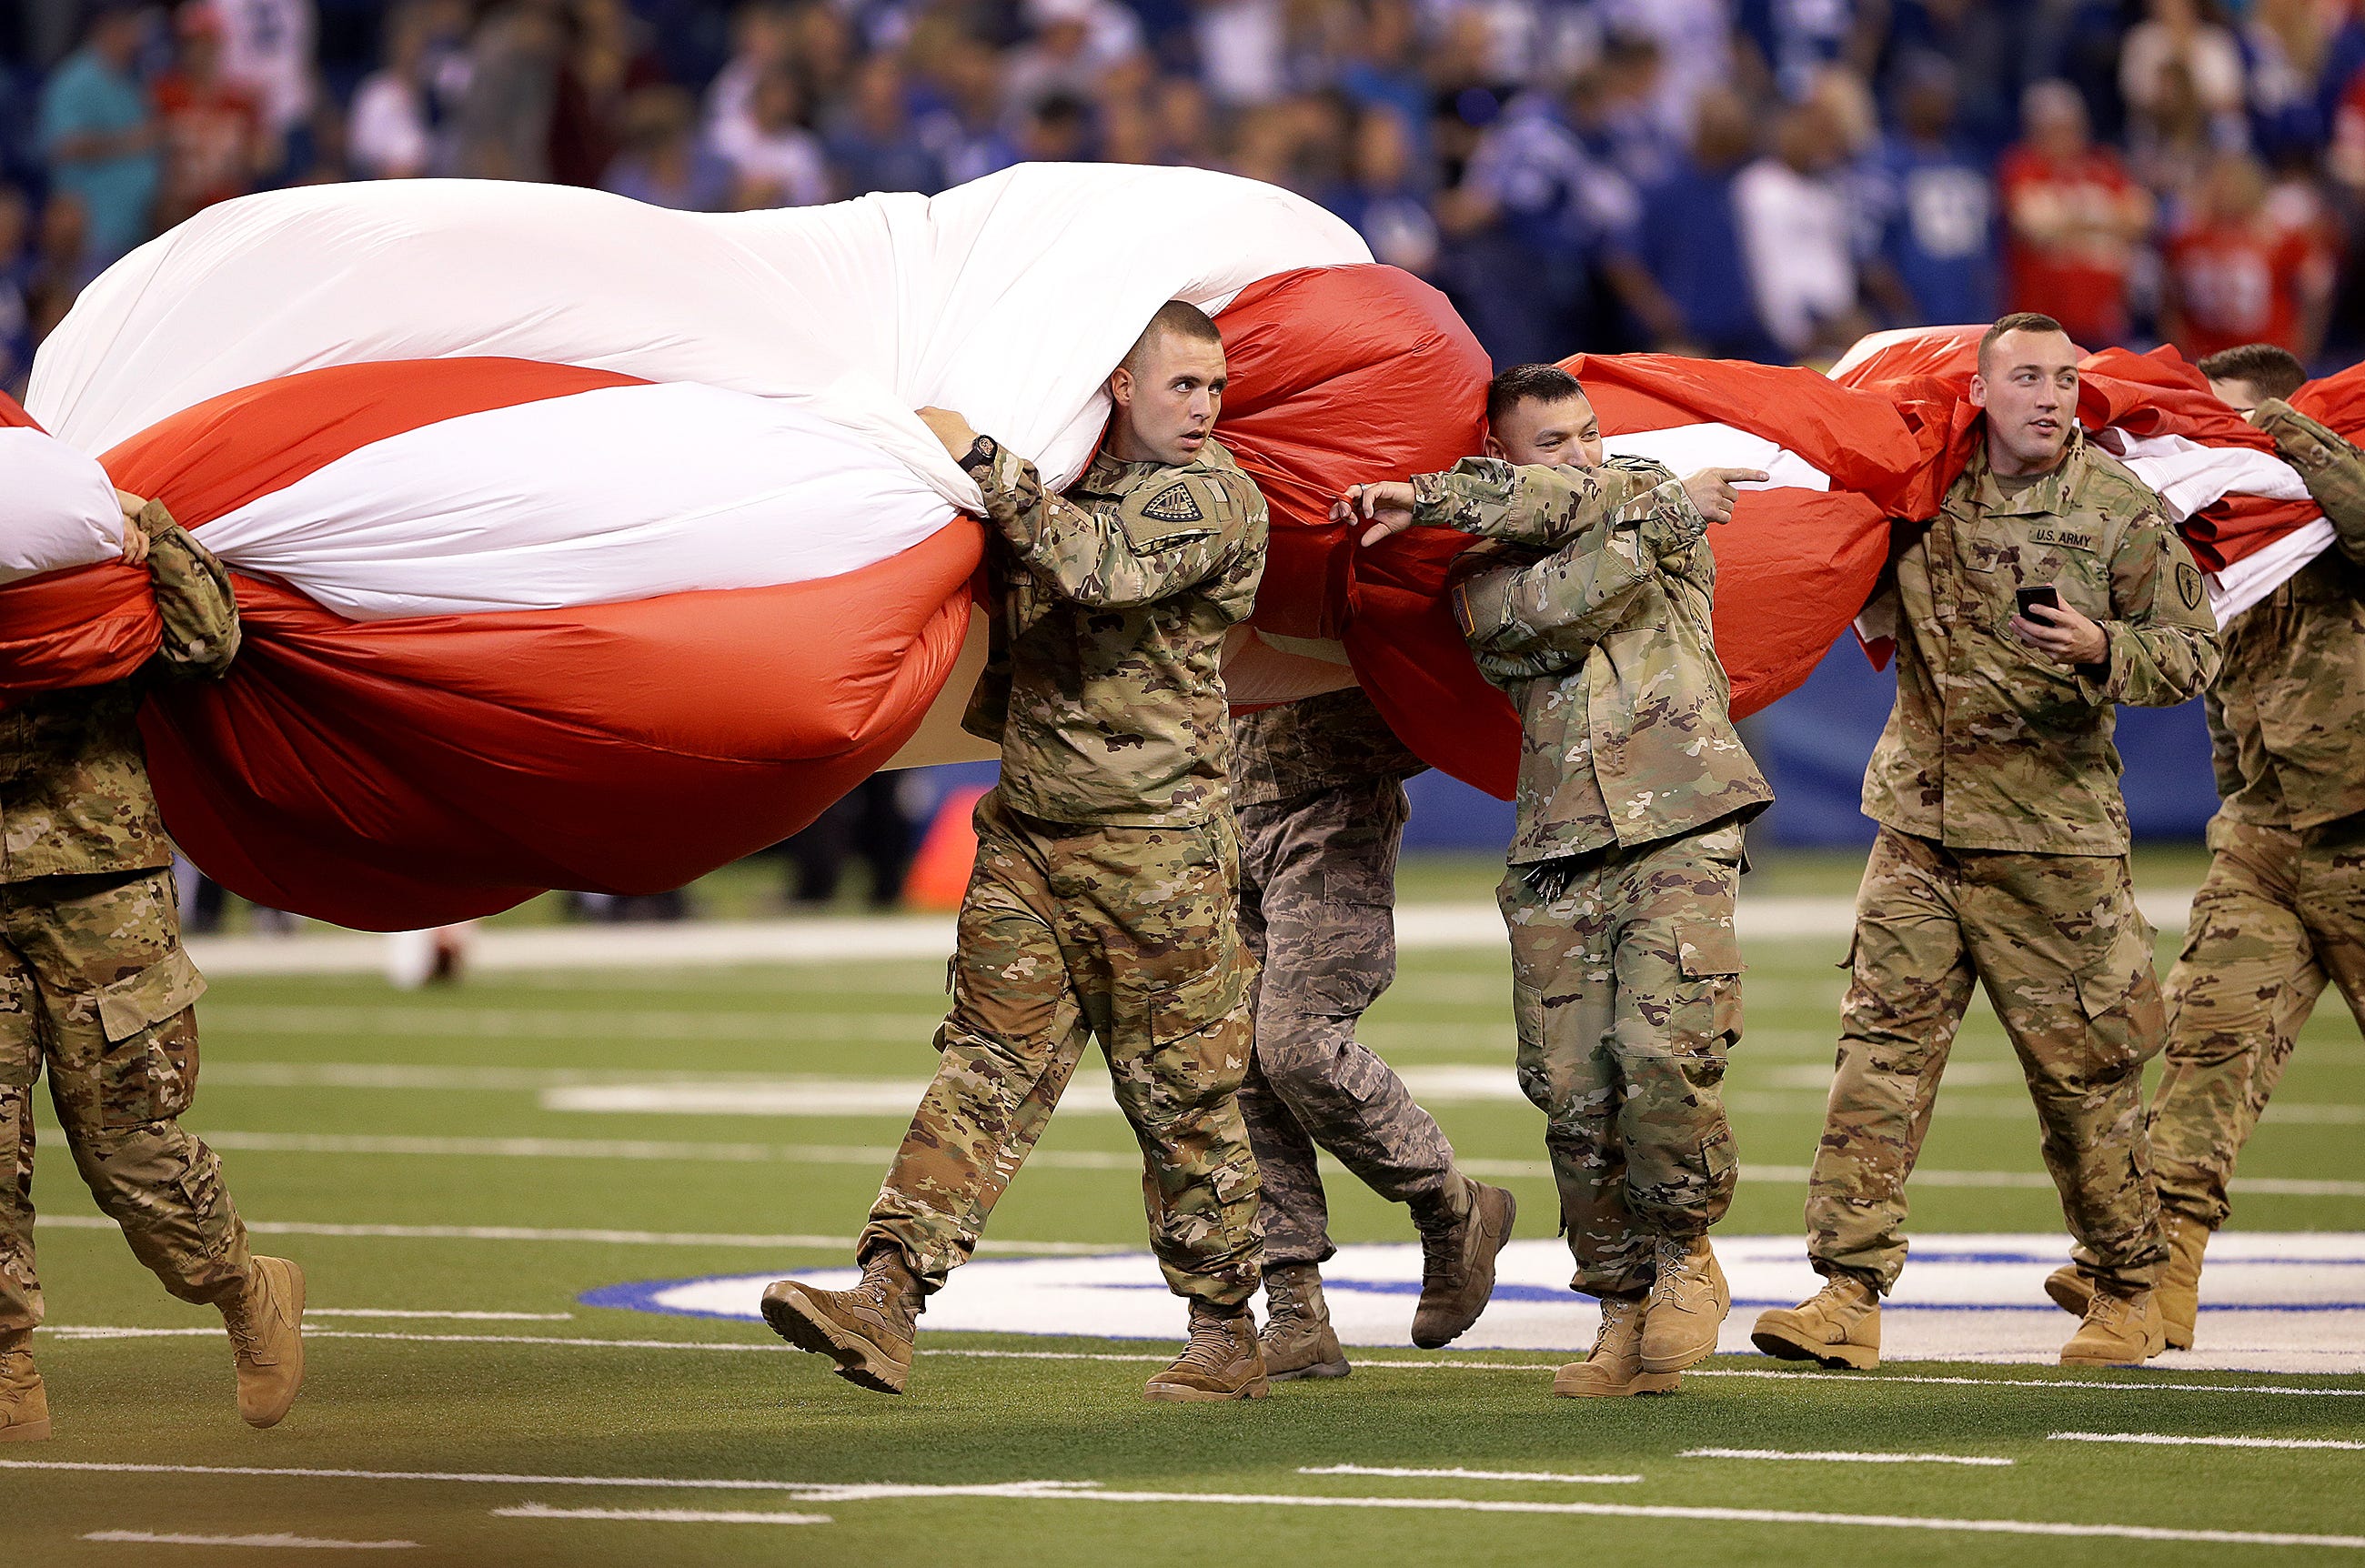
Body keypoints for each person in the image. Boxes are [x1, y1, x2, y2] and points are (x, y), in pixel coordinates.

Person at [760, 302, 1273, 1402]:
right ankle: (887, 1295)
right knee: (982, 1068)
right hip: (1031, 841)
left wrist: (974, 451)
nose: (1202, 407)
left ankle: (1227, 1326)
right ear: (1119, 387)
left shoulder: (1215, 498)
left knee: (1180, 1099)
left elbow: (1089, 566)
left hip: (1158, 854)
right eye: (1180, 385)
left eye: (1213, 387)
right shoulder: (1064, 480)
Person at [1752, 314, 2221, 1372]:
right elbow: (1829, 555)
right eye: (2025, 377)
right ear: (1980, 391)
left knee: (2082, 1078)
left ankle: (2124, 1283)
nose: (2050, 396)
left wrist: (2106, 645)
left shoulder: (2116, 510)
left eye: (2063, 378)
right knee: (1876, 1065)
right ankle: (1846, 1289)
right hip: (1917, 832)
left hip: (2054, 846)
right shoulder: (1919, 496)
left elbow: (2193, 653)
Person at [1343, 364, 1769, 1398]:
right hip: (1557, 843)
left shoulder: (1629, 489)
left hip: (1680, 816)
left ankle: (1682, 1257)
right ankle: (1620, 1310)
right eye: (1552, 441)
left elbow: (1584, 495)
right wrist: (1653, 506)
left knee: (1662, 1052)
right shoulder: (1487, 565)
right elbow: (1543, 607)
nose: (1582, 453)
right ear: (1499, 458)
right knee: (1572, 1093)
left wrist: (1638, 498)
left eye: (1588, 432)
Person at [2042, 343, 2365, 1352]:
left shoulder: (2321, 505)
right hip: (2266, 843)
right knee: (2200, 1054)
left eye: (2211, 424)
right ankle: (2145, 1282)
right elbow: (2222, 707)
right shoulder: (2219, 551)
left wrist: (2286, 441)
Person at [1, 488, 305, 1442]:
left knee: (127, 1140)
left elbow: (207, 643)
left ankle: (241, 1285)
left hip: (98, 877)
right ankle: (7, 1369)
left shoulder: (80, 526)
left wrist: (148, 531)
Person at [1233, 675, 1515, 1381]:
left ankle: (1450, 1204)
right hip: (1218, 797)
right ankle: (1296, 1311)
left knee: (1297, 1044)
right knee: (1234, 1063)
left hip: (1335, 788)